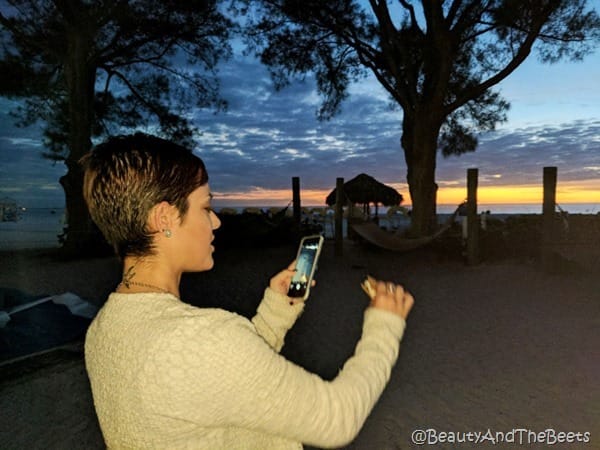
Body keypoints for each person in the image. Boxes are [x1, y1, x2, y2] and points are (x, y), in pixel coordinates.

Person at [81, 132, 414, 450]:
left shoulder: (104, 329)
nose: (216, 223)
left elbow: (217, 382)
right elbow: (338, 418)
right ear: (165, 217)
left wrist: (275, 311)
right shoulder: (202, 339)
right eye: (205, 207)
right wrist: (384, 326)